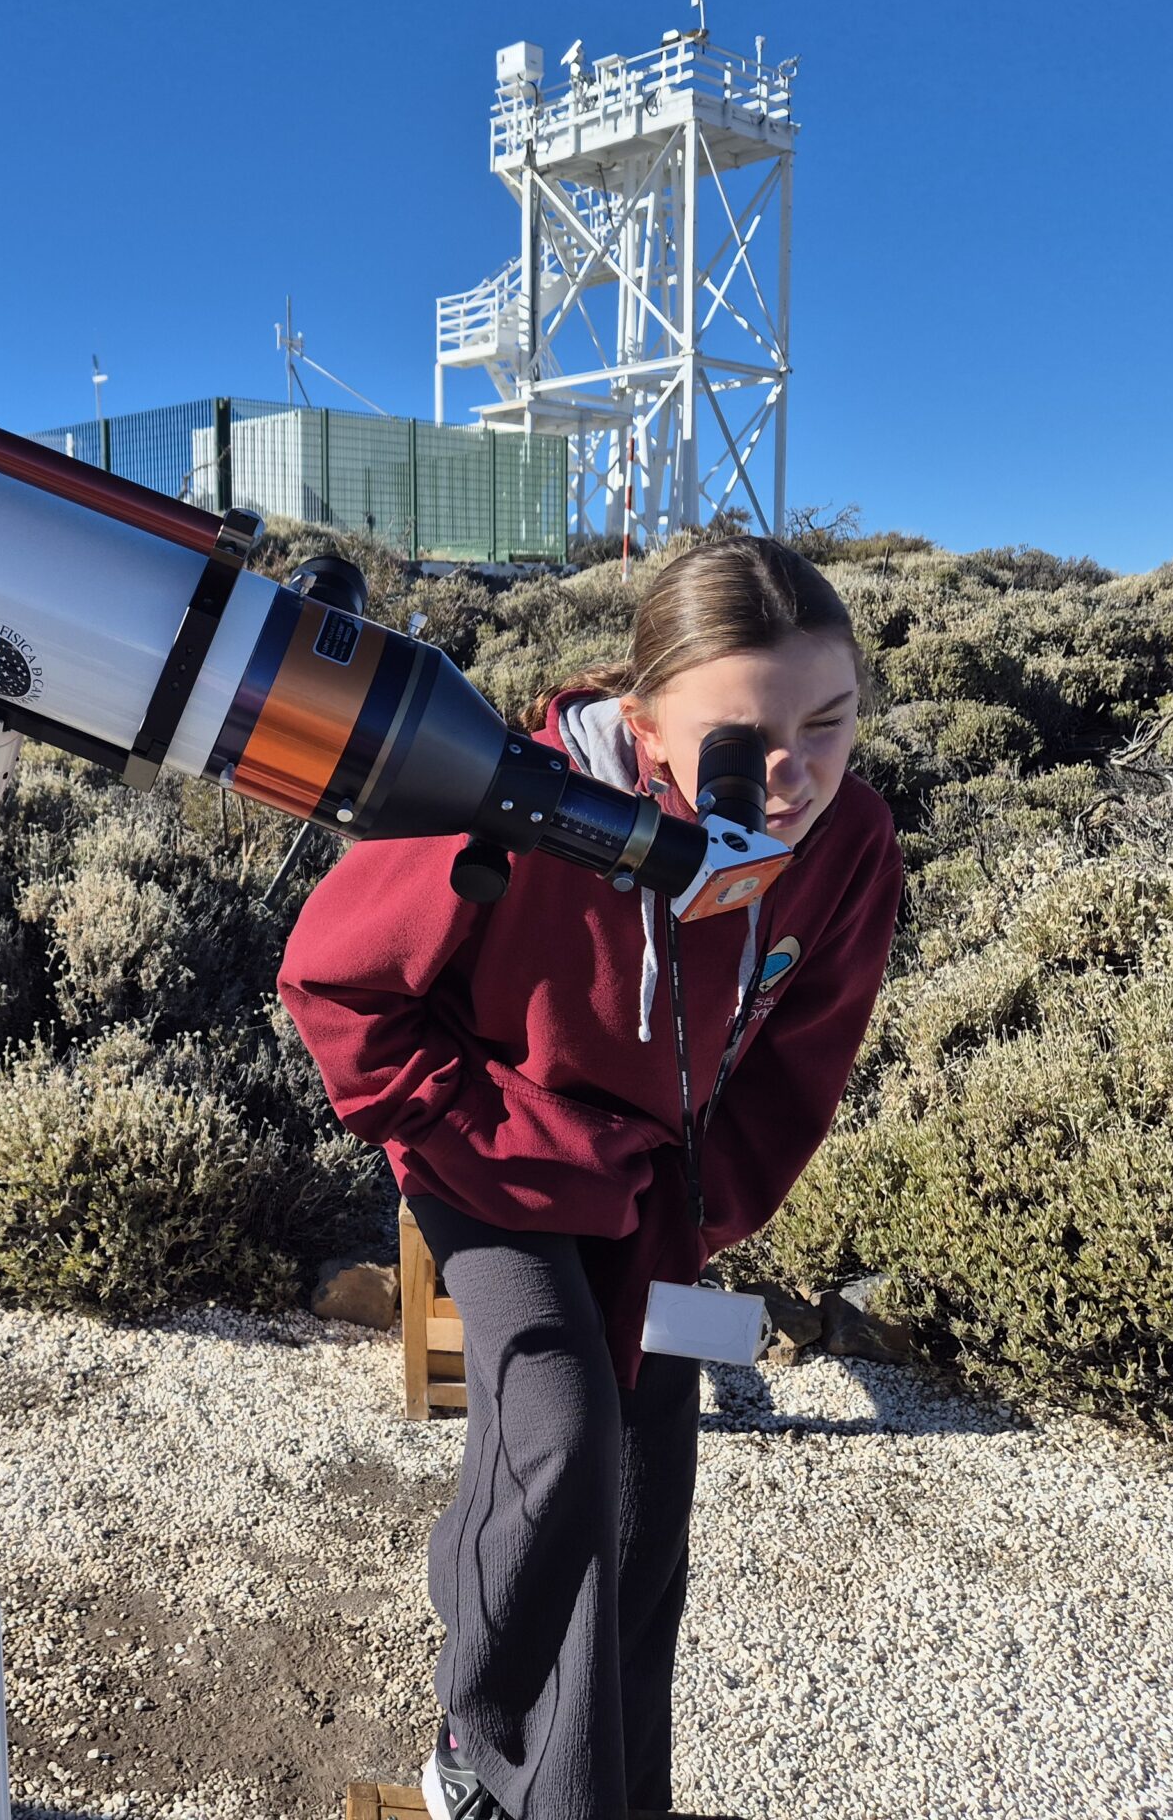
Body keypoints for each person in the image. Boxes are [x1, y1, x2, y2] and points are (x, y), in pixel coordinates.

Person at [278, 535, 901, 1820]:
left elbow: (799, 1056)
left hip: (651, 1177)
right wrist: (467, 1131)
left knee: (643, 1495)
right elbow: (334, 983)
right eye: (742, 742)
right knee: (558, 1423)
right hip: (480, 1140)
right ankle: (479, 1747)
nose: (793, 777)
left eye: (829, 725)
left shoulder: (849, 844)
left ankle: (606, 1794)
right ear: (643, 721)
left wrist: (688, 1217)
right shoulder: (519, 793)